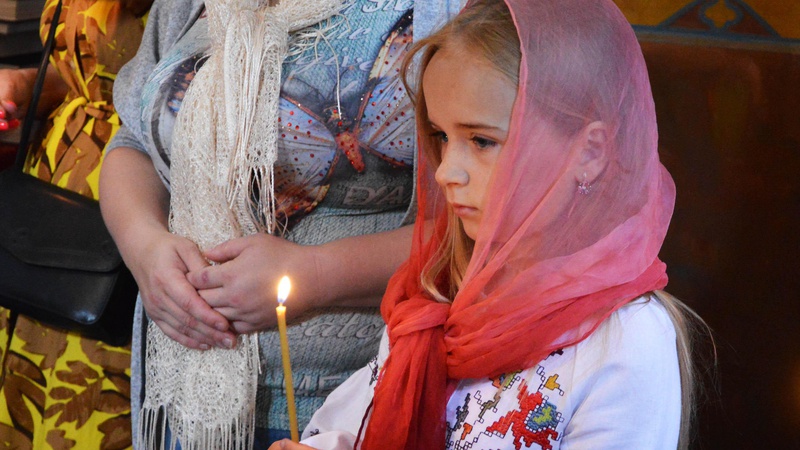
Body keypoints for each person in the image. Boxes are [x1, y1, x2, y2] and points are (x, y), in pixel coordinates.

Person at [270, 0, 707, 449]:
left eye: (481, 140)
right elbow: (366, 425)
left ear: (590, 153)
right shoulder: (437, 295)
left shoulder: (625, 339)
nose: (445, 171)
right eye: (441, 137)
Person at [99, 0, 465, 447]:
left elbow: (509, 218)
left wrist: (314, 274)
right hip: (186, 389)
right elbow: (135, 138)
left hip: (350, 397)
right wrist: (144, 245)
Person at [0, 0, 152, 448]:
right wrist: (27, 84)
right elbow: (96, 70)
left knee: (91, 402)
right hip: (51, 194)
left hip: (132, 198)